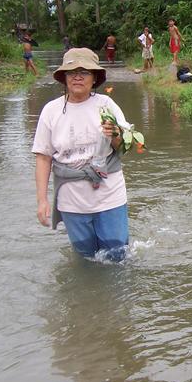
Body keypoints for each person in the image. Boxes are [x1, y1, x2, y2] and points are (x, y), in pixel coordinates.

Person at [32, 48, 131, 261]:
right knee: (85, 257)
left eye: (84, 72)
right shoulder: (51, 110)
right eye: (71, 72)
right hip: (72, 198)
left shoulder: (106, 105)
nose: (77, 76)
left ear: (94, 77)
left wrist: (115, 134)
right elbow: (43, 157)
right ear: (64, 77)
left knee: (118, 254)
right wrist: (42, 200)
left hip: (109, 193)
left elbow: (123, 146)